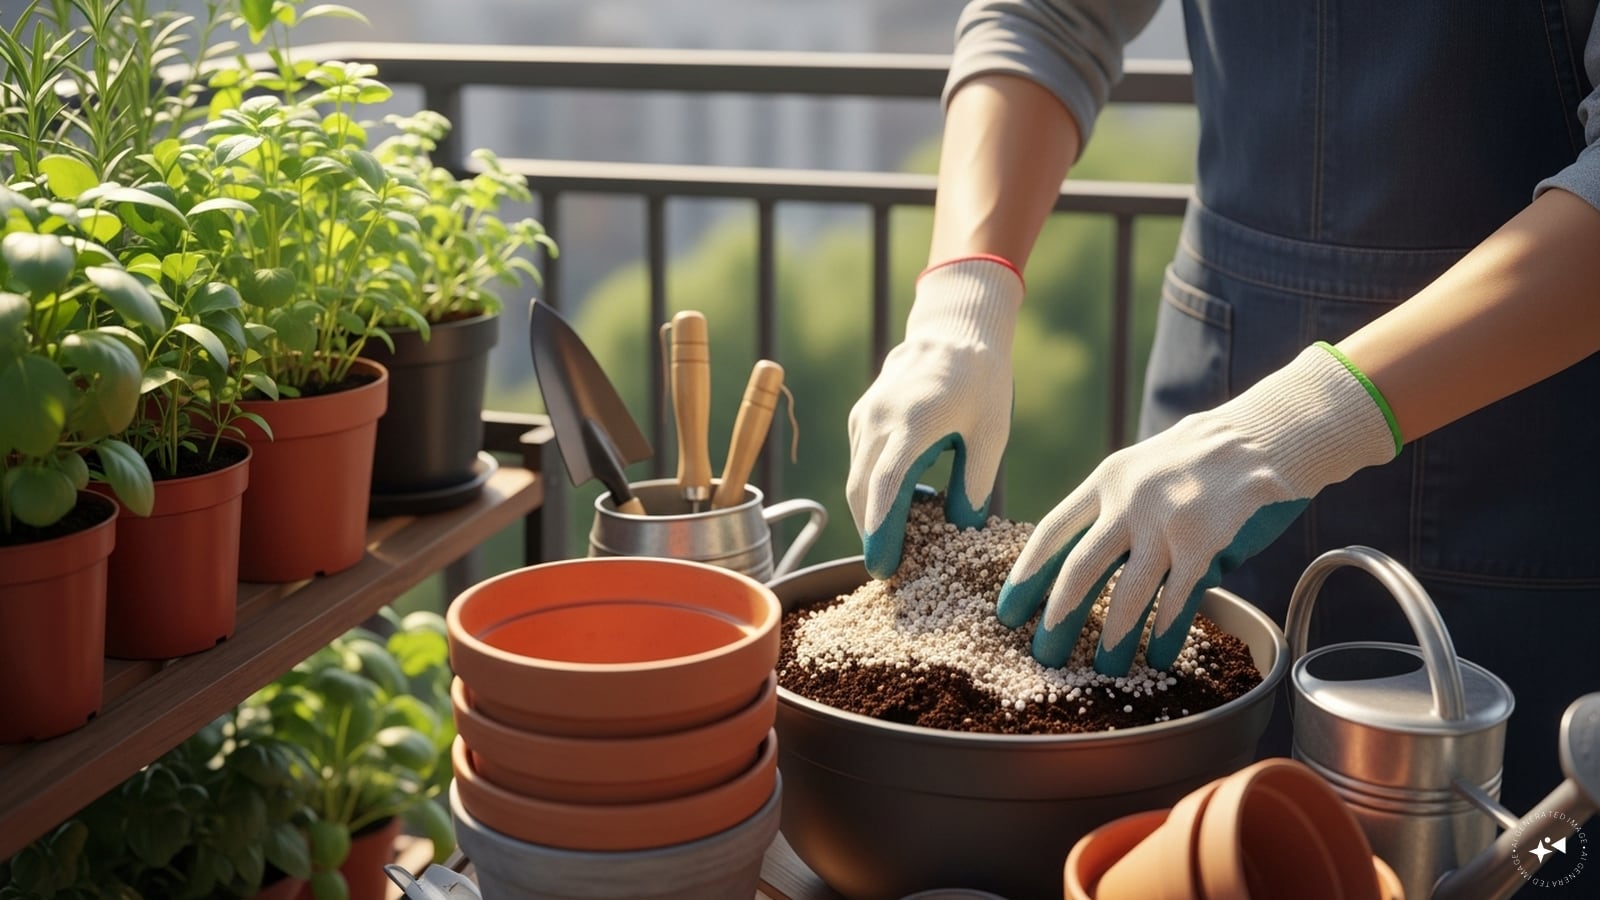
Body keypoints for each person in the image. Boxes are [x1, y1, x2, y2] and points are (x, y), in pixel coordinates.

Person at [847, 0, 1600, 822]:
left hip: (1522, 446)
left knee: (1517, 845)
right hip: (1206, 428)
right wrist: (967, 296)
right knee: (1179, 840)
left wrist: (1303, 422)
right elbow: (1051, 13)